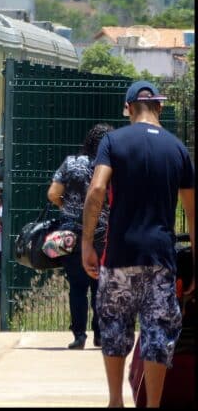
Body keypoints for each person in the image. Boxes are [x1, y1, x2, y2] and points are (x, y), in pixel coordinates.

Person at [82, 80, 195, 408]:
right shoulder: (178, 149)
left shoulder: (112, 141)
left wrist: (87, 243)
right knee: (159, 332)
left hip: (119, 255)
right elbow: (192, 211)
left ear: (128, 108)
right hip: (160, 257)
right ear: (159, 107)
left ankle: (116, 400)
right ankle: (153, 404)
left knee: (115, 329)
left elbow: (97, 190)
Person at [48, 123, 114, 350]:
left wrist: (69, 208)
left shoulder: (70, 163)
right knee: (100, 285)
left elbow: (53, 193)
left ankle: (78, 335)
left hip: (71, 233)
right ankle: (99, 334)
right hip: (102, 232)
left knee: (76, 286)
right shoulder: (111, 166)